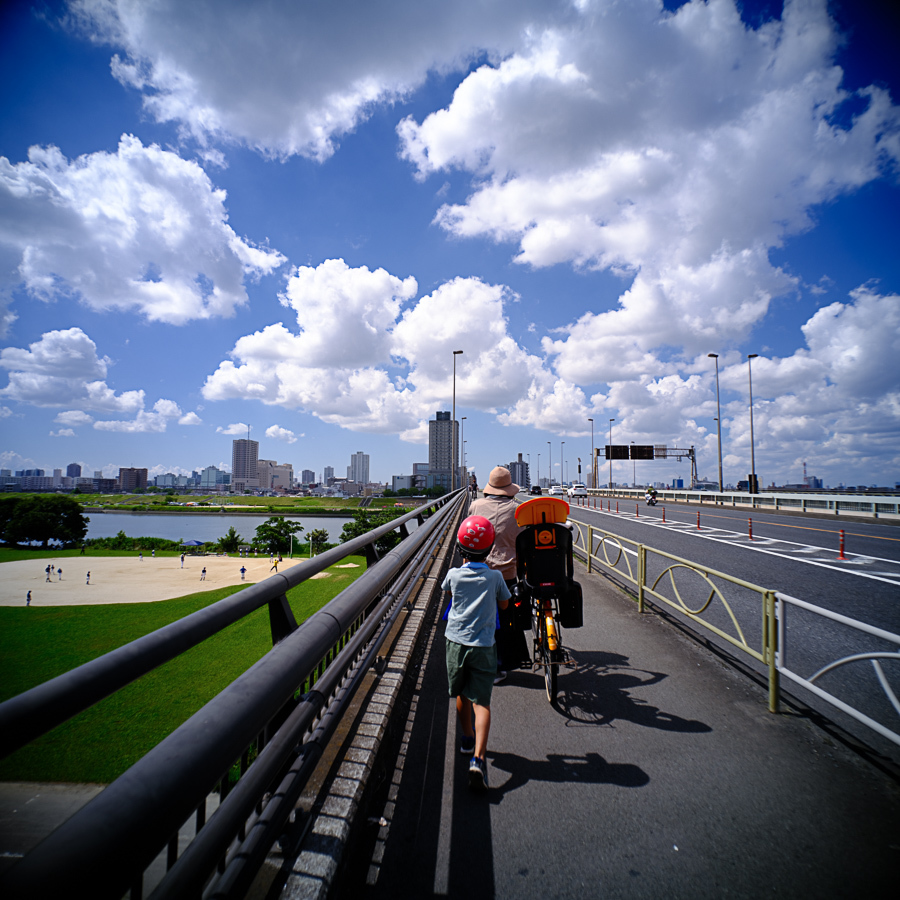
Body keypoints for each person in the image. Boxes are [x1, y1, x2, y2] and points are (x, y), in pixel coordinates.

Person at [442, 515, 510, 792]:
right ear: (490, 547)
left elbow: (448, 591)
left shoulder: (454, 574)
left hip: (456, 643)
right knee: (482, 700)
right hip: (484, 645)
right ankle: (478, 759)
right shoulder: (494, 577)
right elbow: (505, 605)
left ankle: (466, 738)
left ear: (460, 549)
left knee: (461, 693)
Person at [468, 466, 531, 681]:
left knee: (480, 617)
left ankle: (480, 665)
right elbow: (525, 541)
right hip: (507, 574)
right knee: (505, 620)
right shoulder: (518, 510)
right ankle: (501, 665)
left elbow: (467, 535)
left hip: (479, 571)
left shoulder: (475, 505)